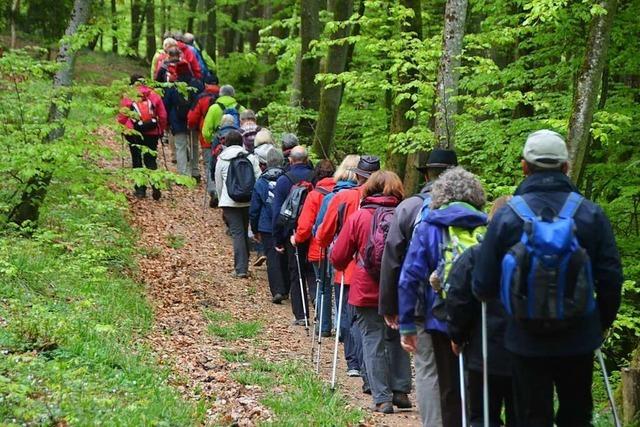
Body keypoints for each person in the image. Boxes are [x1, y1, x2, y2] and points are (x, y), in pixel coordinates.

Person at [473, 130, 623, 427]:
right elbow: (610, 277)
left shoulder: (507, 217)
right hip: (579, 335)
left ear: (524, 166)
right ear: (566, 166)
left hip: (524, 338)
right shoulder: (591, 214)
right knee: (576, 415)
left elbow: (482, 283)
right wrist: (600, 321)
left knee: (531, 416)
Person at [399, 166, 488, 427]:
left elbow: (409, 277)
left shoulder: (430, 226)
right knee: (478, 386)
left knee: (449, 387)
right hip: (482, 317)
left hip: (441, 317)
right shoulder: (487, 225)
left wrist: (407, 325)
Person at [378, 149, 457, 426]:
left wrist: (390, 307)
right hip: (461, 305)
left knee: (427, 368)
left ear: (425, 174)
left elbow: (393, 259)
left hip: (422, 303)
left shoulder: (410, 207)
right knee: (459, 370)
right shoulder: (470, 208)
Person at [331, 170, 412, 414]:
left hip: (366, 290)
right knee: (398, 337)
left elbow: (338, 257)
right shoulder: (405, 215)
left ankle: (381, 398)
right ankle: (401, 390)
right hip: (398, 288)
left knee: (372, 340)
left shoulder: (359, 217)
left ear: (368, 188)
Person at [446, 195, 515, 427]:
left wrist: (457, 336)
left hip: (484, 351)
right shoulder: (534, 257)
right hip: (525, 352)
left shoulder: (475, 255)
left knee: (482, 416)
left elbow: (458, 298)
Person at [316, 155, 380, 386]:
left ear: (357, 175)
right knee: (374, 322)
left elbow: (323, 234)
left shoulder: (343, 197)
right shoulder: (395, 202)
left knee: (347, 314)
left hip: (348, 267)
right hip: (381, 270)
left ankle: (354, 362)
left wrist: (325, 243)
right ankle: (373, 370)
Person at [271, 146, 316, 325]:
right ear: (307, 159)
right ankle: (321, 312)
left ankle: (301, 315)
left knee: (296, 273)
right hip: (315, 233)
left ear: (290, 160)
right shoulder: (317, 177)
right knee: (313, 273)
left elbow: (277, 212)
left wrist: (277, 238)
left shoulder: (284, 180)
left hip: (292, 233)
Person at [291, 159, 336, 336]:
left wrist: (296, 239)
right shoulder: (345, 192)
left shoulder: (315, 195)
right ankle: (341, 327)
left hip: (320, 248)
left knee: (323, 287)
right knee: (337, 289)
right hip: (341, 248)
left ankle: (324, 325)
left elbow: (305, 225)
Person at [215, 130, 261, 278]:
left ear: (226, 142)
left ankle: (241, 268)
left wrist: (222, 199)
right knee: (244, 230)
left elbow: (219, 183)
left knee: (238, 233)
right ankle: (244, 264)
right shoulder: (250, 157)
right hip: (248, 200)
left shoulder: (222, 159)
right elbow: (258, 177)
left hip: (230, 202)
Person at [117, 74, 168, 200]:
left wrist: (123, 128)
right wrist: (161, 129)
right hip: (152, 132)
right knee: (151, 159)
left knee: (137, 159)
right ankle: (156, 187)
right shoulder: (154, 95)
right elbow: (163, 115)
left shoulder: (129, 96)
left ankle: (140, 190)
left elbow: (123, 117)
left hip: (134, 133)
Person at [250, 146, 289, 303]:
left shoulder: (261, 182)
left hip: (266, 225)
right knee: (285, 256)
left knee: (272, 257)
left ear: (266, 163)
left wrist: (254, 229)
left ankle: (277, 291)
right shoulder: (288, 180)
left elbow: (254, 209)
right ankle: (286, 288)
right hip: (285, 223)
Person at [158, 47, 196, 177]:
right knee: (193, 145)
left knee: (180, 146)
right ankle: (194, 170)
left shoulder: (173, 87)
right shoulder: (194, 84)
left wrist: (166, 123)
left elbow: (166, 105)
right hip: (193, 119)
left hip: (177, 119)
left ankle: (184, 174)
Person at [187, 74, 220, 202]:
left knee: (209, 163)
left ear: (205, 84)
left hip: (207, 137)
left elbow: (192, 117)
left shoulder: (201, 98)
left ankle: (213, 191)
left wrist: (191, 127)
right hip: (226, 138)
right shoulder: (224, 98)